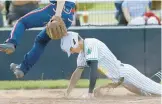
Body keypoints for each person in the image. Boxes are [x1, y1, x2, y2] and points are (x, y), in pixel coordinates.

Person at [60, 31, 162, 98]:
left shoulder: (90, 45)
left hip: (126, 74)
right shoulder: (82, 54)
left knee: (158, 90)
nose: (72, 52)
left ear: (74, 42)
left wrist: (90, 93)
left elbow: (93, 71)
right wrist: (68, 92)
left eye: (71, 49)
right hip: (121, 81)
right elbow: (77, 73)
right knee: (147, 94)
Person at [0, 0, 75, 79]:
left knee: (22, 22)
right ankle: (22, 69)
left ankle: (11, 43)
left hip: (56, 10)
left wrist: (57, 16)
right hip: (69, 17)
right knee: (41, 41)